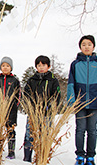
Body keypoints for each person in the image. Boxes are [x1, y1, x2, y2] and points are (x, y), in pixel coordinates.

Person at [23, 55, 61, 162]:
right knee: (30, 133)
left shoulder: (53, 80)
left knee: (45, 134)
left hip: (47, 113)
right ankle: (27, 156)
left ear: (48, 66)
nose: (41, 67)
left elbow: (56, 95)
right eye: (39, 65)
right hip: (33, 113)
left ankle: (42, 156)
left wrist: (51, 106)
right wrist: (30, 105)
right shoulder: (32, 80)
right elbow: (26, 93)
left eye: (43, 65)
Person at [67, 35, 97, 165]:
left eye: (89, 44)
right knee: (80, 130)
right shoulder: (75, 64)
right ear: (80, 47)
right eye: (84, 44)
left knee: (92, 130)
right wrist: (71, 101)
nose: (86, 47)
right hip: (80, 103)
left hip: (94, 103)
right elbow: (70, 83)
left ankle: (90, 157)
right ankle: (80, 156)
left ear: (93, 46)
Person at [0, 56, 21, 159]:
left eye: (7, 66)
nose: (5, 67)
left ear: (11, 68)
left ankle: (11, 152)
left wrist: (14, 106)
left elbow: (19, 95)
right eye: (3, 65)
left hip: (10, 110)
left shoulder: (15, 80)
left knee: (10, 130)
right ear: (0, 67)